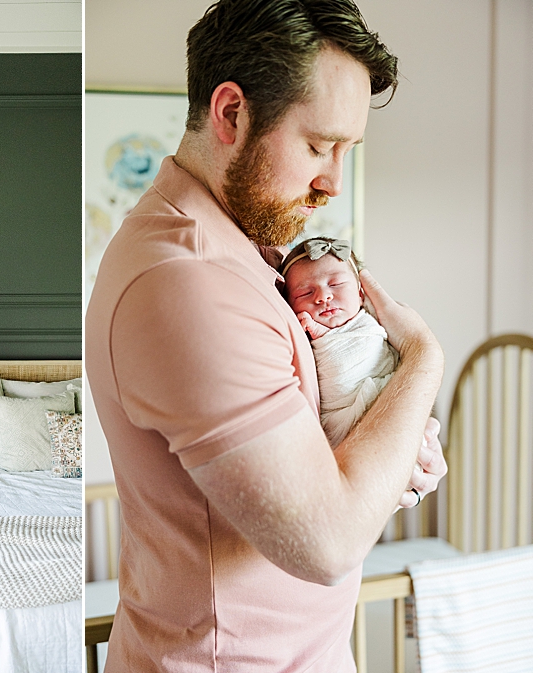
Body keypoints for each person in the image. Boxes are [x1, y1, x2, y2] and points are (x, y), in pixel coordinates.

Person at [85, 1, 448, 670]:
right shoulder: (187, 278)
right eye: (318, 145)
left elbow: (305, 458)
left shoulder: (248, 252)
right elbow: (329, 541)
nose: (333, 182)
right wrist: (424, 359)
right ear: (230, 113)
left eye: (347, 151)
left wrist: (385, 449)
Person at [281, 236, 400, 450]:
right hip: (346, 420)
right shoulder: (303, 335)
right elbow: (337, 373)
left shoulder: (372, 318)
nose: (323, 296)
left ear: (361, 294)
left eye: (335, 284)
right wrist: (322, 336)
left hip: (389, 403)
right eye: (305, 292)